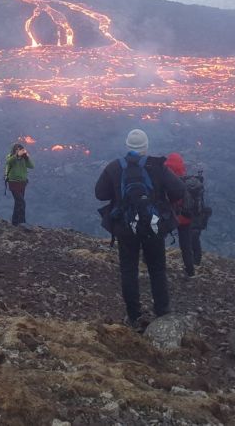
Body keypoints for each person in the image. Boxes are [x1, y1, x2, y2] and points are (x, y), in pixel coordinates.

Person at [94, 128, 185, 330]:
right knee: (157, 269)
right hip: (153, 227)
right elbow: (179, 189)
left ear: (127, 146)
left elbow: (99, 194)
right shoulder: (158, 167)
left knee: (129, 270)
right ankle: (162, 311)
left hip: (126, 229)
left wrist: (119, 196)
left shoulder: (115, 167)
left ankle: (134, 316)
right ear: (145, 147)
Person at [164, 152, 200, 277]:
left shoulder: (166, 176)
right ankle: (190, 270)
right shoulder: (187, 180)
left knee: (158, 238)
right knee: (186, 245)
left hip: (170, 216)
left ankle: (152, 262)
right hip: (186, 218)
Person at [4, 142, 34, 226]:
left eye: (20, 149)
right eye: (17, 149)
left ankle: (15, 221)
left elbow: (32, 166)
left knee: (18, 203)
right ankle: (22, 222)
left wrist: (27, 157)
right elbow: (9, 162)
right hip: (13, 183)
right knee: (21, 202)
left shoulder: (23, 159)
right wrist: (17, 156)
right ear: (14, 150)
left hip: (22, 183)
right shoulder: (10, 157)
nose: (19, 151)